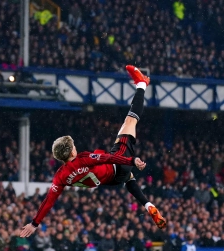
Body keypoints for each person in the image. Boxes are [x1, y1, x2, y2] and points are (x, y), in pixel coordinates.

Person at [20, 65, 166, 238]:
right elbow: (108, 157)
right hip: (117, 164)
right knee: (130, 121)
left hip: (111, 181)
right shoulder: (83, 159)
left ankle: (148, 205)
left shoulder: (61, 176)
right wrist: (132, 161)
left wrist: (35, 222)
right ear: (71, 152)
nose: (76, 147)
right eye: (73, 146)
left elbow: (48, 201)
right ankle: (142, 84)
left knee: (128, 178)